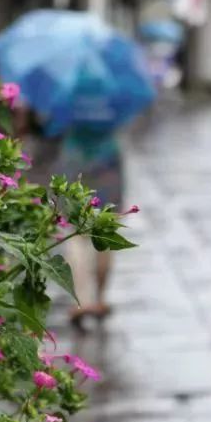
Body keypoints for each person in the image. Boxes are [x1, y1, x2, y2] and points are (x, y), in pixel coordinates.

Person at [58, 124, 123, 328]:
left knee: (76, 234)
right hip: (108, 158)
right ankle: (100, 298)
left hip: (74, 158)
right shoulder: (116, 96)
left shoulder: (66, 94)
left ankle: (81, 301)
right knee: (106, 229)